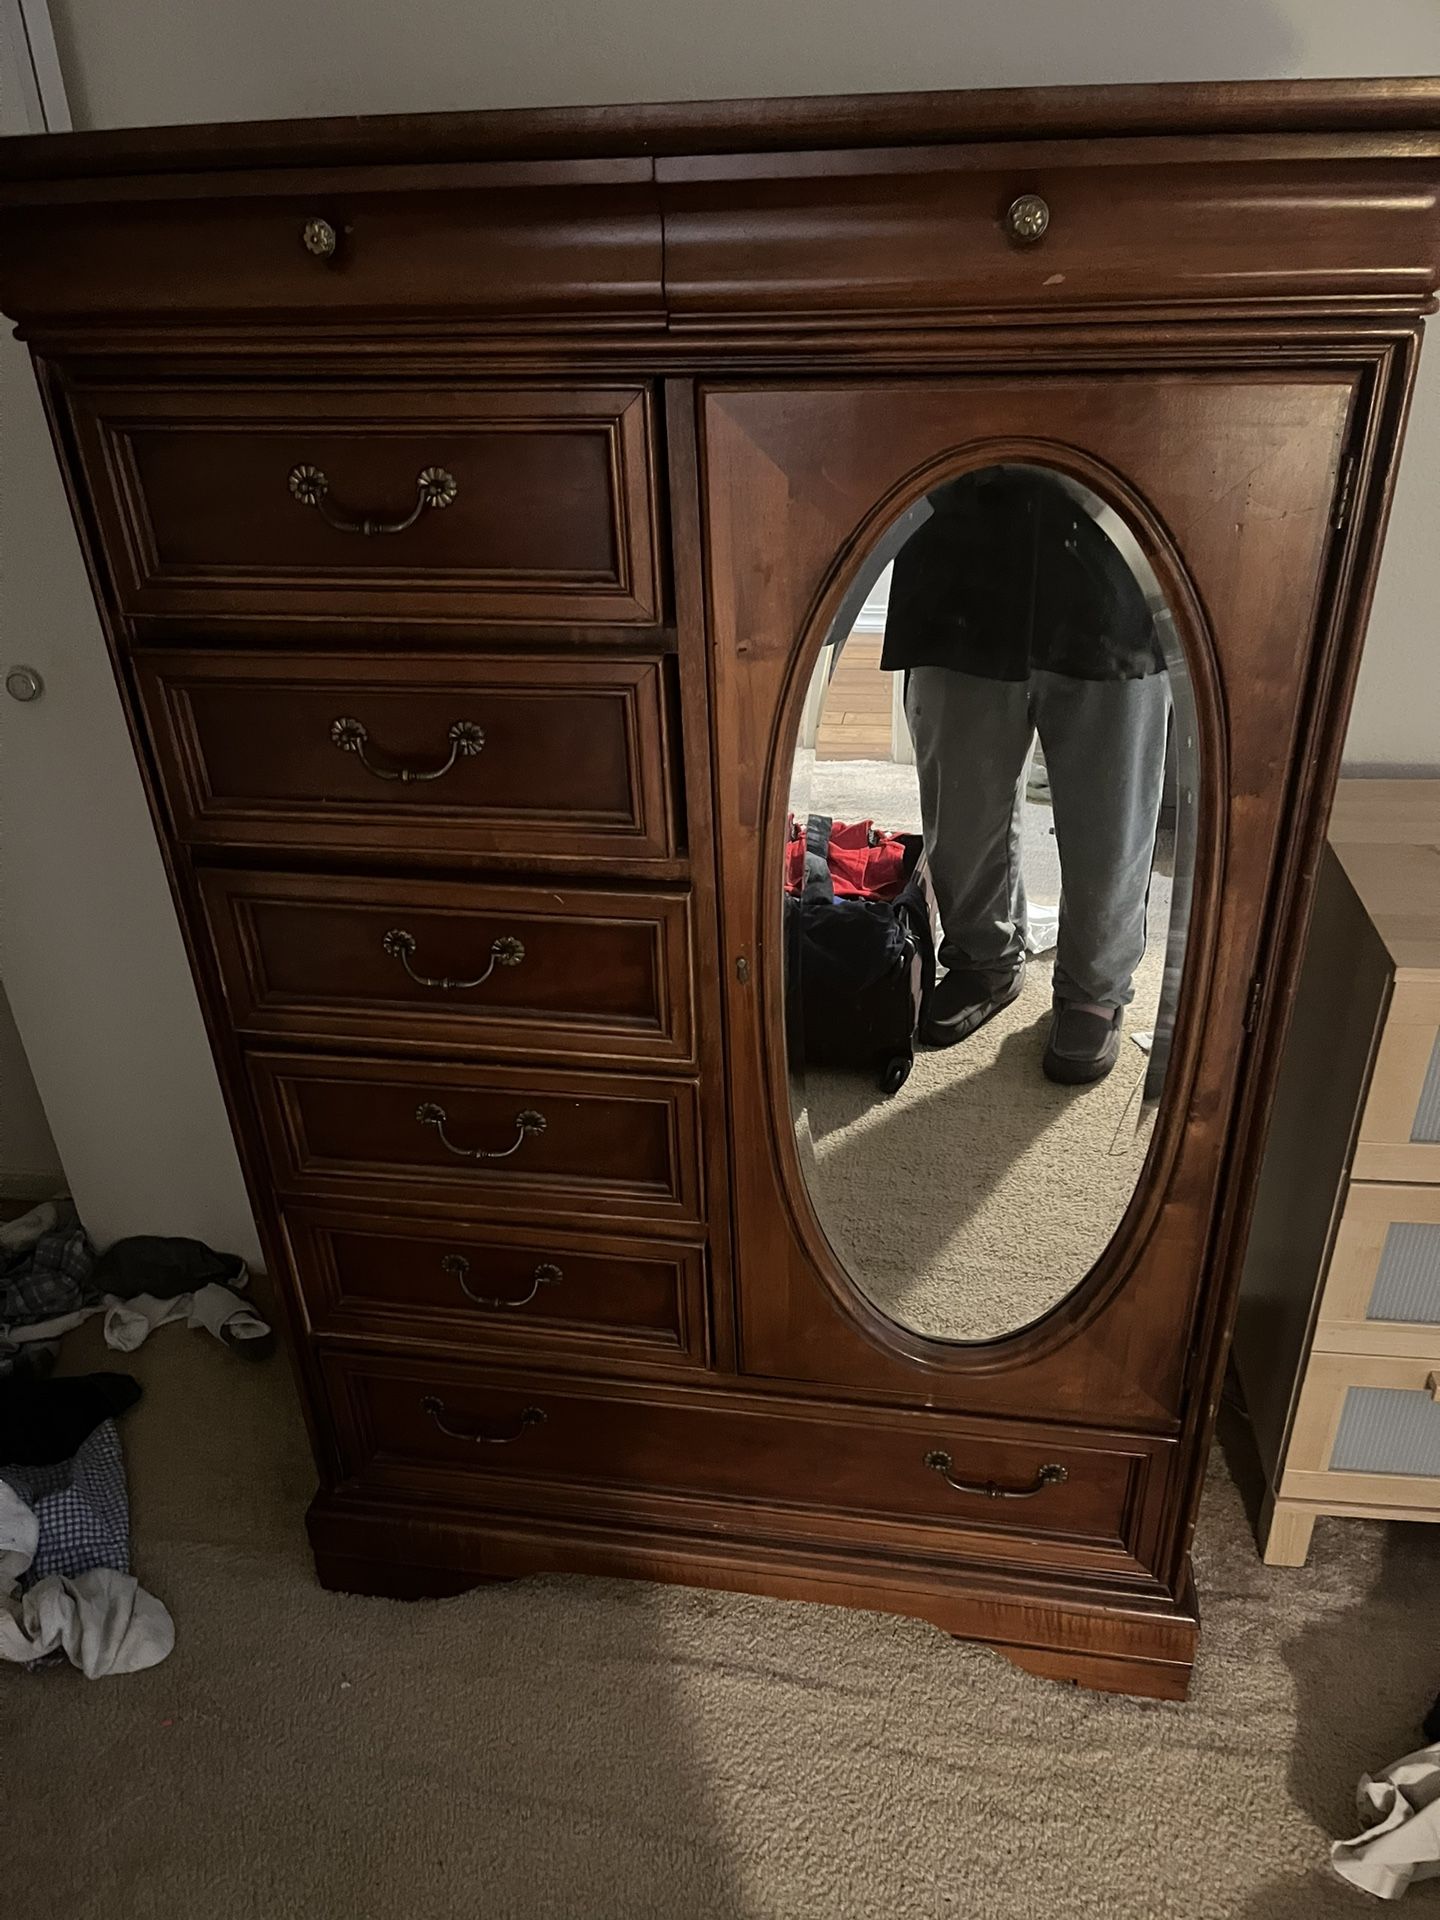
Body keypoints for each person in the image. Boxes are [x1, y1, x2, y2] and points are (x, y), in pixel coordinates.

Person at [880, 463, 1170, 1085]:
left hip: (1116, 558)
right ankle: (983, 956)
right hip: (959, 558)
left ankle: (1095, 985)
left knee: (1111, 818)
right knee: (960, 805)